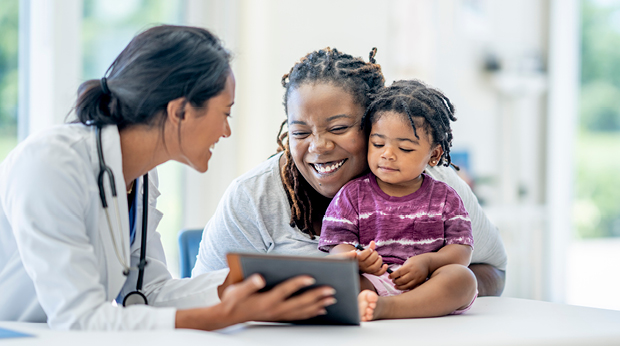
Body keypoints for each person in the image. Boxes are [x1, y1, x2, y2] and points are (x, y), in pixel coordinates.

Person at [0, 25, 337, 330]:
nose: (226, 131)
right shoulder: (51, 162)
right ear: (180, 112)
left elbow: (148, 292)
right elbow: (79, 319)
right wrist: (222, 316)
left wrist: (262, 280)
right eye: (225, 113)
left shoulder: (143, 176)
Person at [193, 47, 508, 297]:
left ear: (375, 122)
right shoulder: (253, 197)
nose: (318, 146)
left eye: (340, 128)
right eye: (300, 133)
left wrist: (417, 289)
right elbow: (204, 293)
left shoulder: (432, 183)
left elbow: (493, 271)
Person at [318, 80, 477, 321]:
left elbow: (462, 250)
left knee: (463, 279)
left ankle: (388, 308)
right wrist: (357, 260)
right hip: (372, 281)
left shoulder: (445, 197)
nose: (387, 154)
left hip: (428, 284)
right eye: (378, 143)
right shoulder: (352, 195)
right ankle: (373, 303)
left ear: (434, 155)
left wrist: (429, 262)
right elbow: (337, 248)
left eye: (404, 148)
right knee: (335, 280)